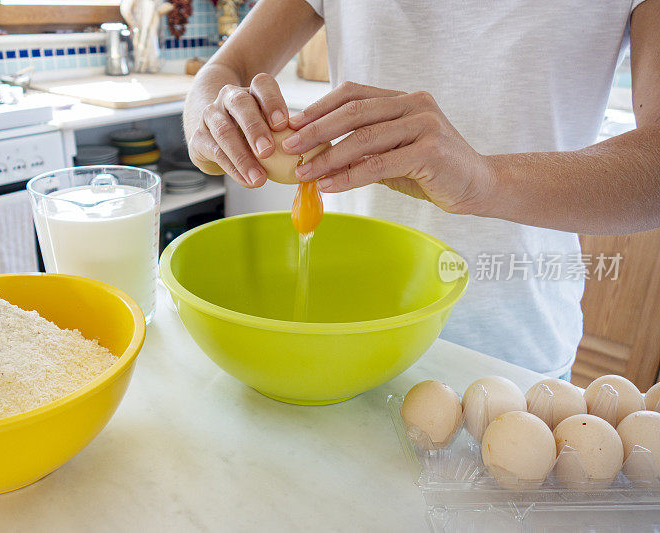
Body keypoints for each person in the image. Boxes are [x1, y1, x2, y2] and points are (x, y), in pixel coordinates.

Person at [182, 0, 660, 378]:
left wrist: (487, 179)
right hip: (344, 339)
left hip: (510, 349)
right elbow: (222, 72)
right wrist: (212, 122)